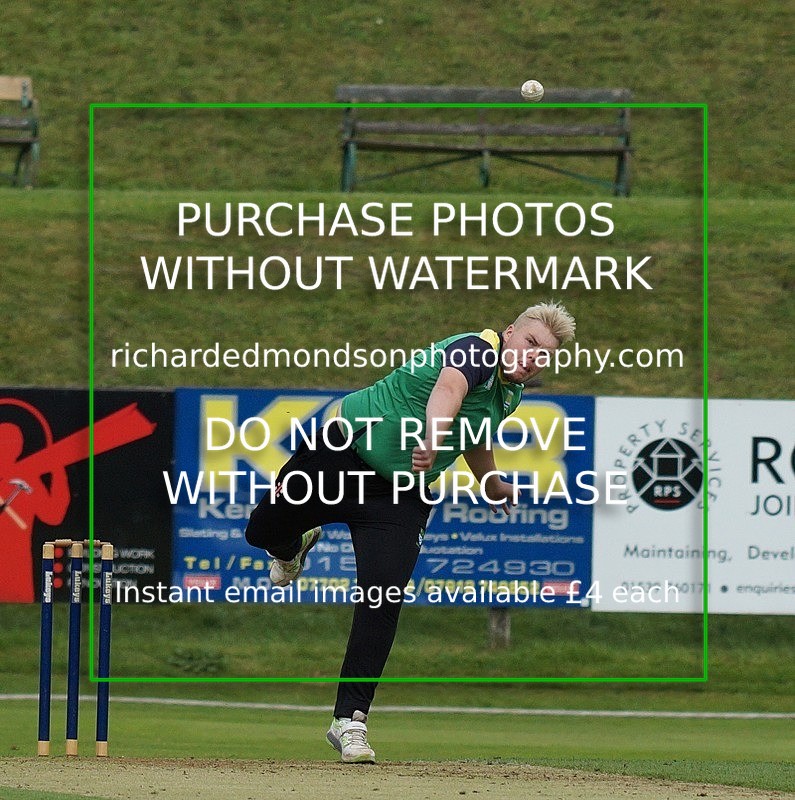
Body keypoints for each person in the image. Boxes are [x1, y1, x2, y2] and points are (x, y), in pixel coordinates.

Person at [244, 301, 576, 763]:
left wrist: (491, 482)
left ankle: (349, 720)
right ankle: (292, 546)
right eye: (530, 342)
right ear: (508, 333)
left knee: (381, 598)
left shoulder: (509, 394)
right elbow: (449, 388)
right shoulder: (477, 349)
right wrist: (432, 436)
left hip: (399, 496)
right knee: (260, 531)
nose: (533, 356)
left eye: (545, 354)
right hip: (343, 453)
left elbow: (475, 434)